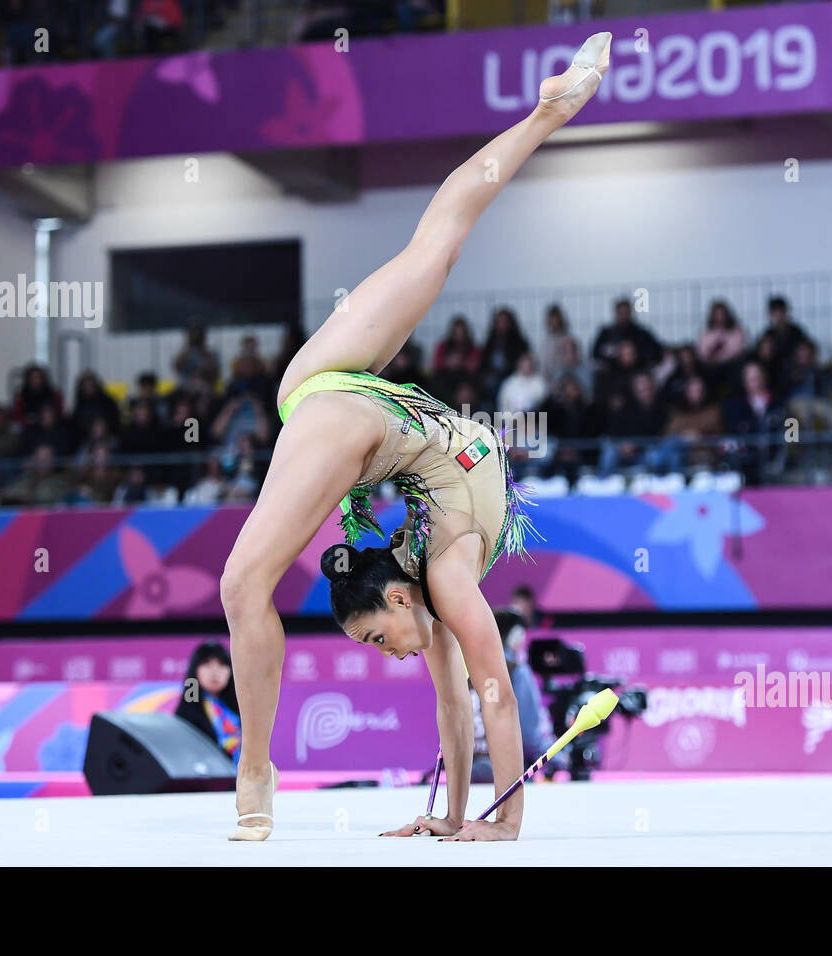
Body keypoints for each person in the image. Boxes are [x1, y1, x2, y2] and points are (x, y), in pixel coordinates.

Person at [220, 32, 612, 844]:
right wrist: (480, 822)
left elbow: (473, 697)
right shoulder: (441, 580)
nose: (383, 651)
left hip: (349, 405)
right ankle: (551, 108)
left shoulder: (438, 576)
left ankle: (256, 767)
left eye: (374, 639)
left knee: (240, 583)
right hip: (345, 399)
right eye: (377, 641)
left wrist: (482, 822)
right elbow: (477, 693)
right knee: (437, 240)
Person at [470, 610, 560, 784]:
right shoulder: (517, 671)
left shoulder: (471, 667)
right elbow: (528, 736)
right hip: (510, 776)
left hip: (469, 774)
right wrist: (559, 758)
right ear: (516, 637)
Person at [175, 643, 241, 766]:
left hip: (241, 777)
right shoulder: (189, 709)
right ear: (195, 670)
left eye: (222, 665)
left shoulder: (239, 705)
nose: (215, 672)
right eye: (207, 664)